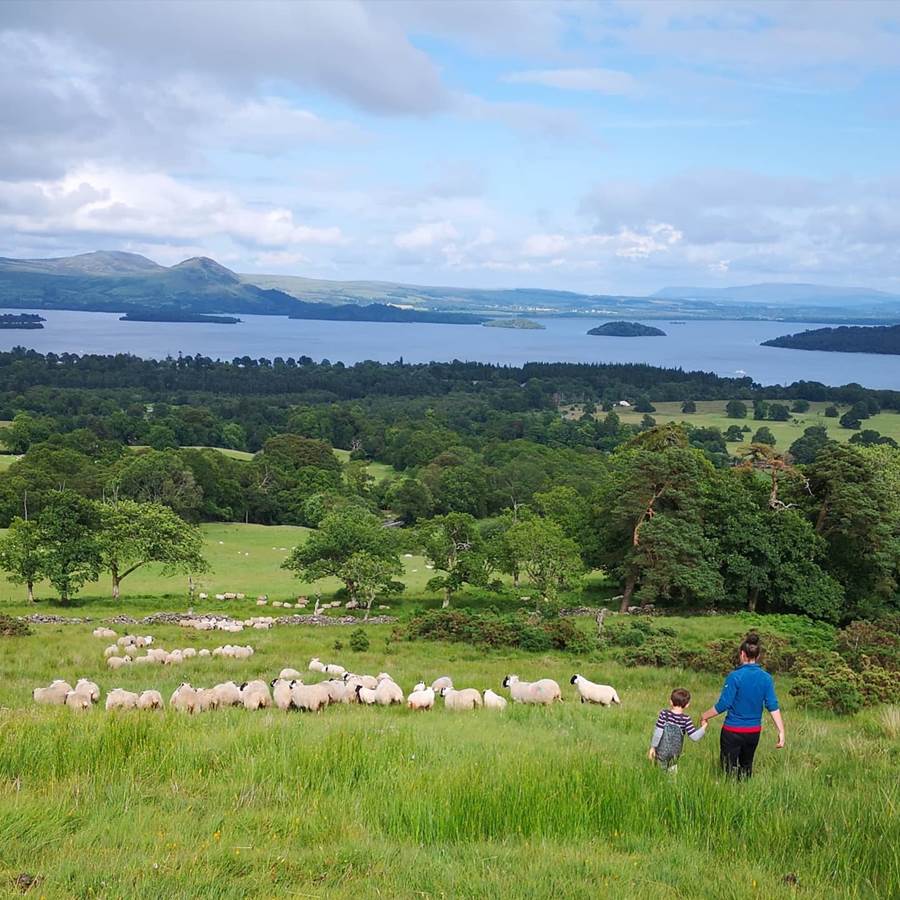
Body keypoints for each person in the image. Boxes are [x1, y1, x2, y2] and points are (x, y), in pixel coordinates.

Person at [700, 633, 785, 779]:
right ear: (758, 656)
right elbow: (772, 706)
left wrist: (704, 716)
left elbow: (724, 704)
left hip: (732, 730)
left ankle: (728, 796)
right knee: (746, 768)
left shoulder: (734, 676)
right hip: (753, 732)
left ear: (742, 654)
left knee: (728, 771)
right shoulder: (766, 678)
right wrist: (781, 731)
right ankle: (743, 794)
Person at [648, 687, 706, 773]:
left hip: (662, 751)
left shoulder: (664, 714)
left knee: (659, 773)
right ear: (687, 705)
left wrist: (653, 747)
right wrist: (704, 727)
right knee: (672, 772)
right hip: (675, 753)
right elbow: (694, 737)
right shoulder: (686, 719)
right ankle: (671, 785)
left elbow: (658, 732)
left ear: (670, 701)